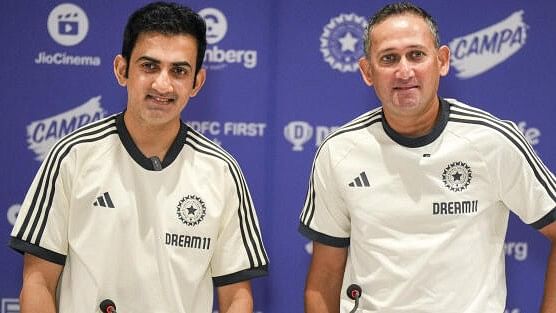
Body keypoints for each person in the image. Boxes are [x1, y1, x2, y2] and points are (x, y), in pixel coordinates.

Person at [10, 2, 268, 312]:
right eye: (149, 66)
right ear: (122, 70)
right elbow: (38, 282)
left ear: (196, 82)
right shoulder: (73, 157)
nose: (163, 84)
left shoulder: (222, 171)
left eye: (179, 71)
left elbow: (237, 297)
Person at [299, 2, 556, 312]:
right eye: (389, 58)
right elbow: (323, 279)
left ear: (442, 61)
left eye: (416, 55)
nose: (404, 71)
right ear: (368, 71)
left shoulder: (492, 141)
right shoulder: (339, 151)